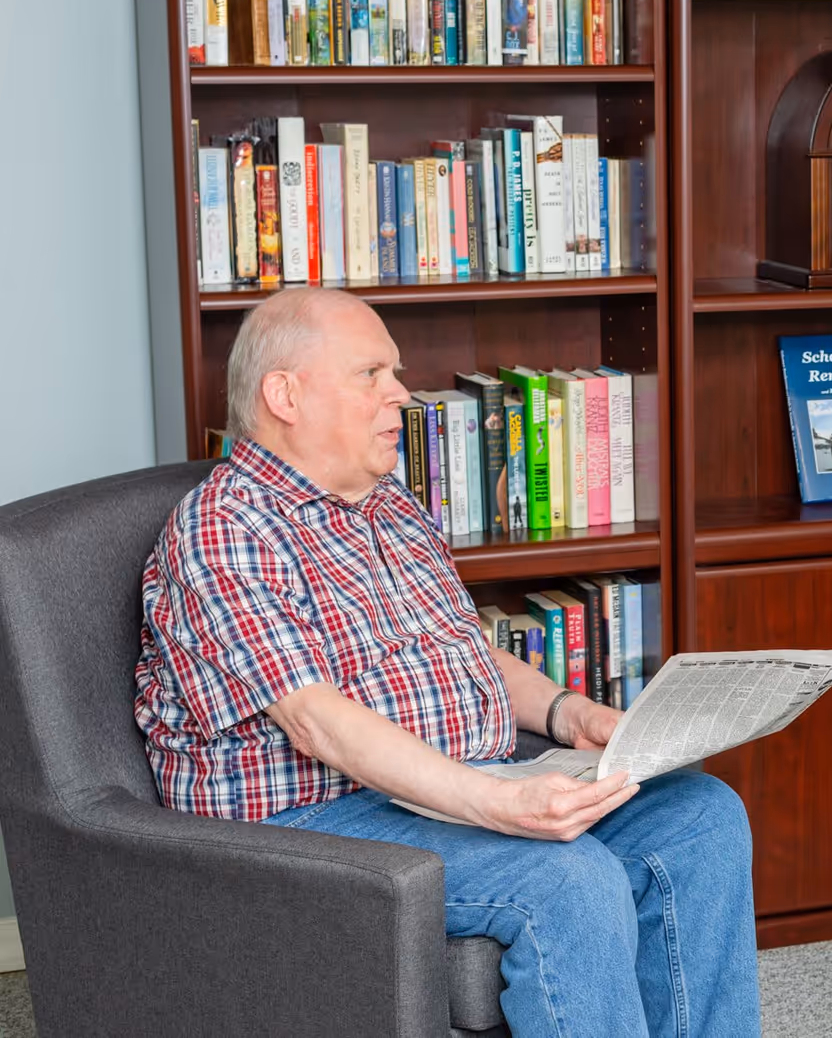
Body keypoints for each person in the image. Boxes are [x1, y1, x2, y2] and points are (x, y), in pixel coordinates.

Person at [134, 288, 760, 1037]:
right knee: (569, 878)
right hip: (310, 816)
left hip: (452, 780)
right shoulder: (225, 529)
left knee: (701, 815)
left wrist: (571, 714)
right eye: (371, 373)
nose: (400, 393)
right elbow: (316, 721)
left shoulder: (388, 504)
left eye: (393, 373)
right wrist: (497, 805)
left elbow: (467, 652)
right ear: (284, 394)